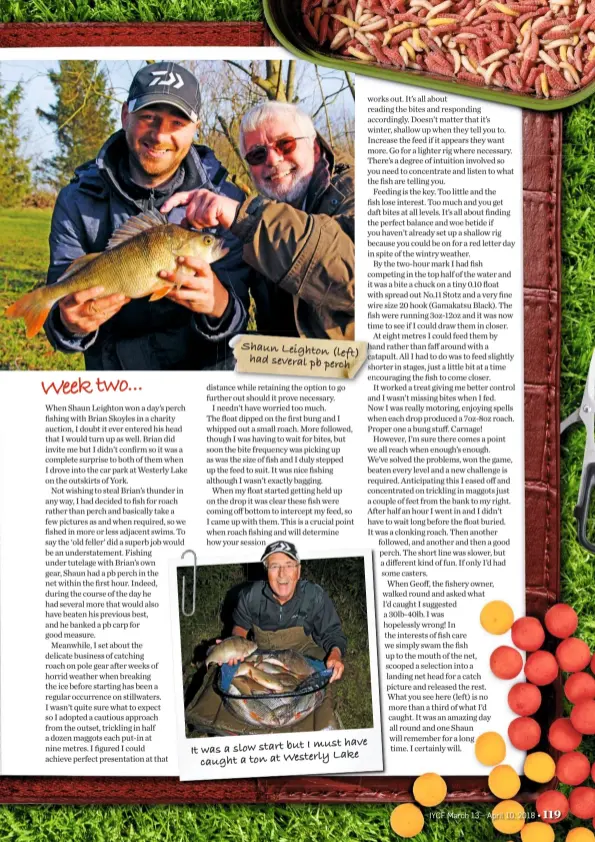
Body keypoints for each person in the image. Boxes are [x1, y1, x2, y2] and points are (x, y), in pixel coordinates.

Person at [44, 61, 249, 370]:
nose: (160, 135)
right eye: (149, 117)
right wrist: (68, 322)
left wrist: (219, 305)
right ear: (126, 115)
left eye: (177, 123)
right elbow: (59, 320)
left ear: (195, 128)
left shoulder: (226, 201)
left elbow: (240, 322)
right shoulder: (76, 200)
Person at [161, 101, 355, 341]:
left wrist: (249, 218)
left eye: (285, 144)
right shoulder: (263, 211)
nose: (272, 160)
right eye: (257, 154)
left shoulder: (356, 187)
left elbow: (355, 278)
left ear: (314, 148)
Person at [230, 540, 346, 683]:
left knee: (326, 675)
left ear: (298, 571)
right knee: (228, 671)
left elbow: (333, 633)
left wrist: (335, 654)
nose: (282, 574)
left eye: (289, 565)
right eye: (274, 566)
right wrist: (235, 644)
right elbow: (239, 627)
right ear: (267, 571)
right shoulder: (250, 596)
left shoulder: (314, 596)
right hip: (263, 656)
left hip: (304, 655)